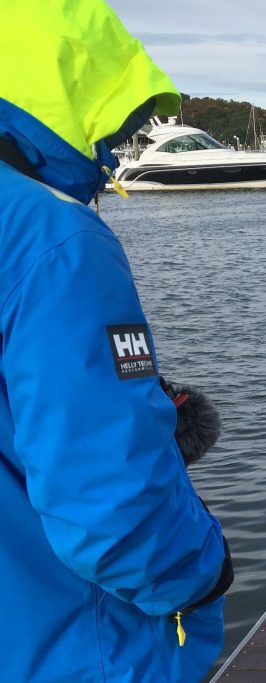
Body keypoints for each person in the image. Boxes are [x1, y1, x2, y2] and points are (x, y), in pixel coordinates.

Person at [0, 2, 232, 681]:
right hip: (73, 644)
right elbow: (109, 501)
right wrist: (206, 569)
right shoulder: (56, 239)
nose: (112, 154)